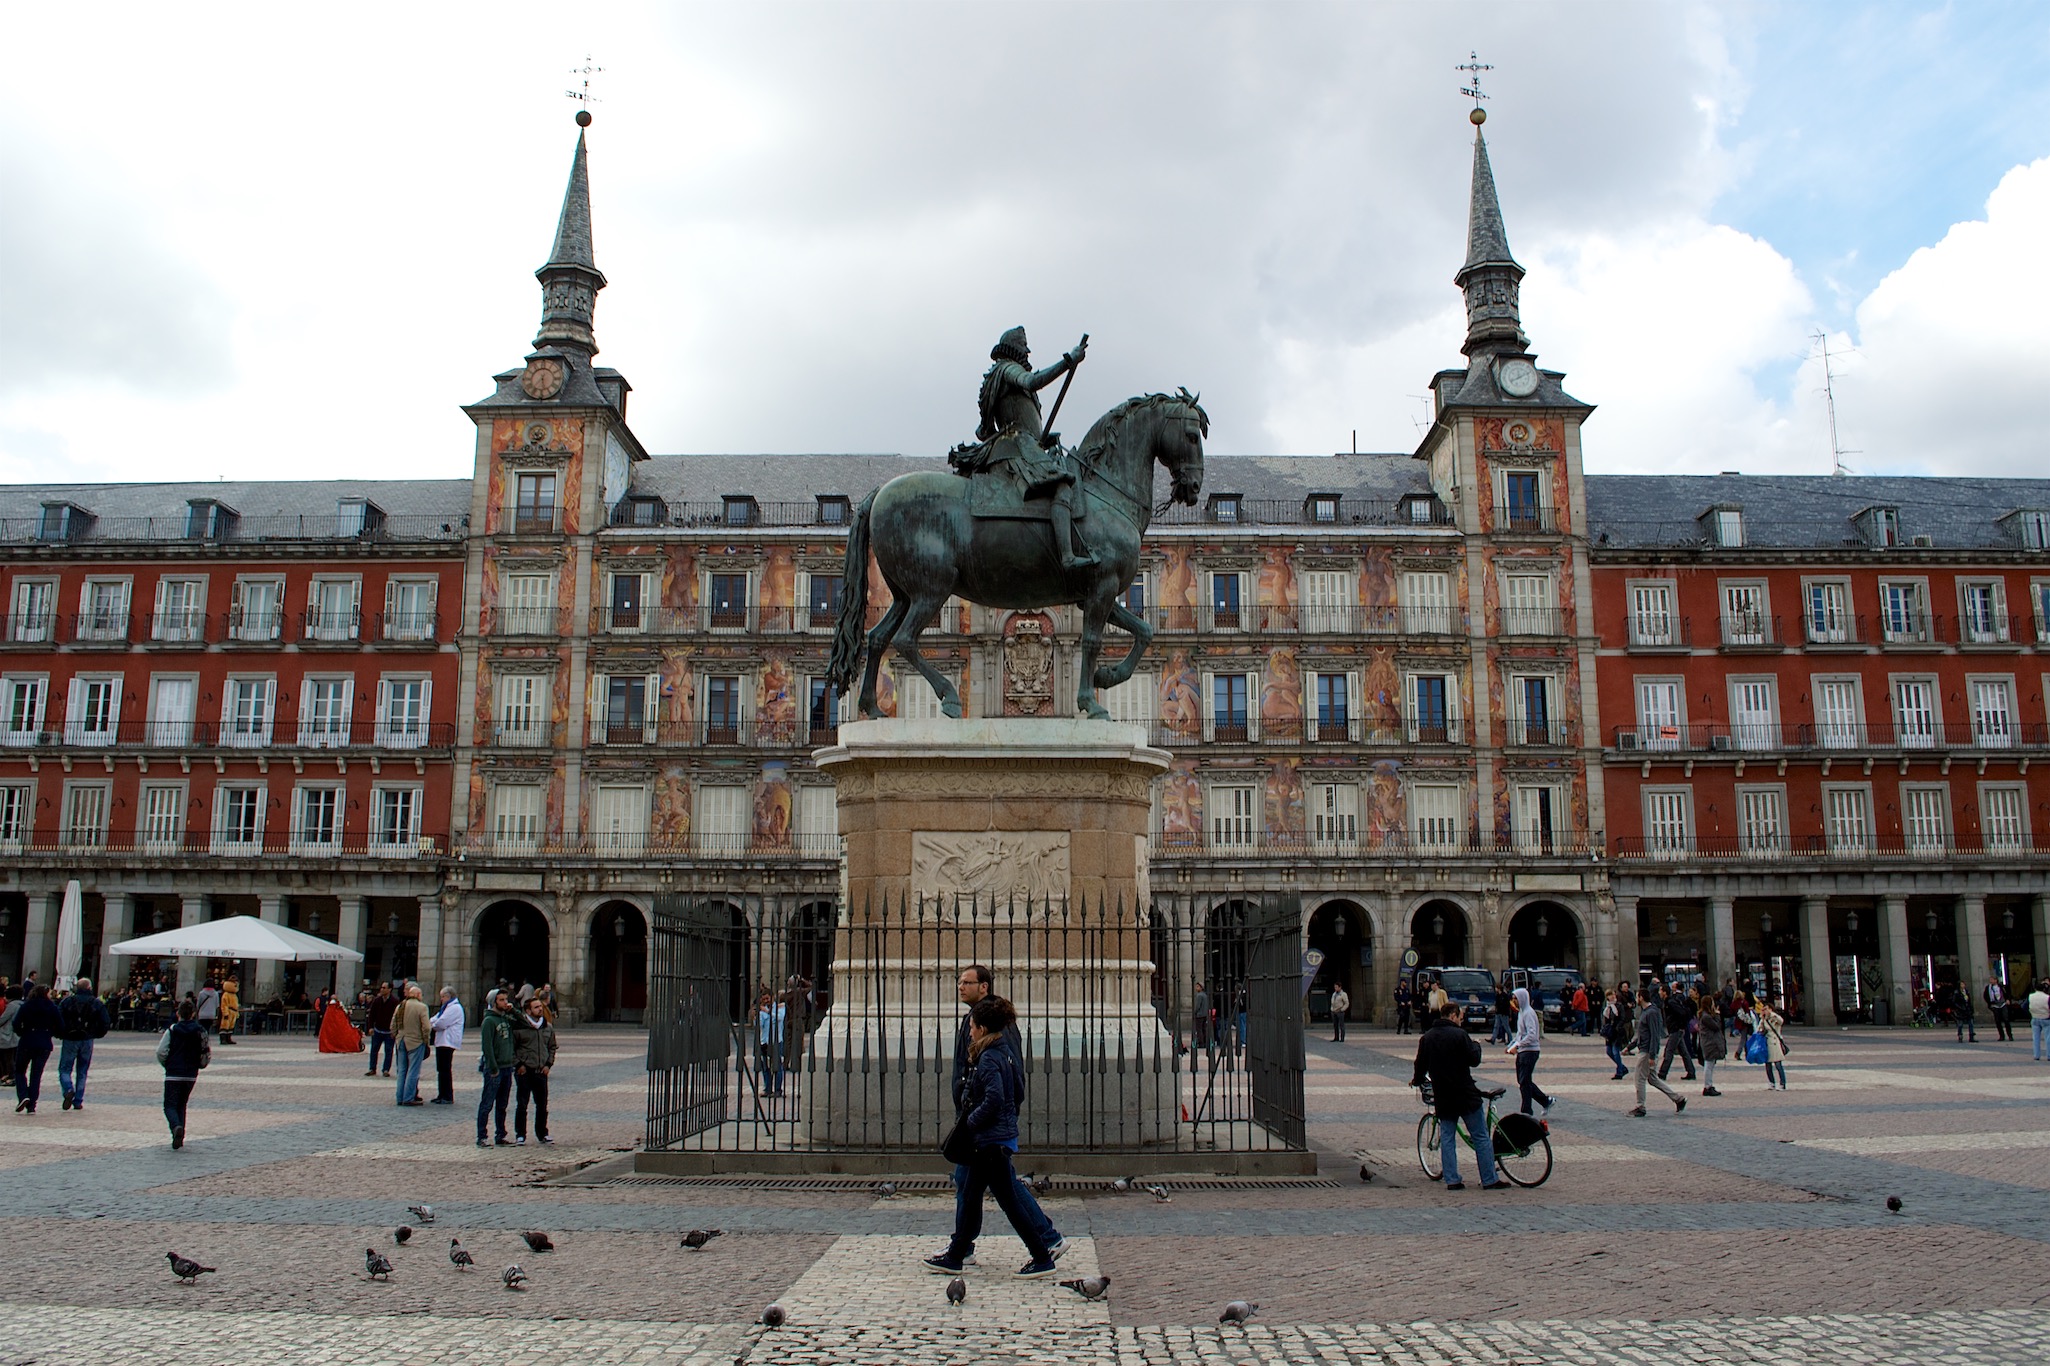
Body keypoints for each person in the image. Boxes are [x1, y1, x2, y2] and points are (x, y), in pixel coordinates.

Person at [923, 995, 1060, 1278]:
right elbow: (1017, 1091)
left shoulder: (988, 1058)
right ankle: (957, 1254)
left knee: (1006, 1200)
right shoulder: (1004, 1052)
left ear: (982, 1028)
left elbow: (994, 1098)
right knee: (972, 1195)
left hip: (988, 1141)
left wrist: (971, 1123)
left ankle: (1041, 1255)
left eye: (972, 1026)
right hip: (996, 1137)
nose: (969, 1031)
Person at [951, 327, 1096, 570]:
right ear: (1014, 349)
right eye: (1024, 346)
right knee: (1062, 486)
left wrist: (1043, 437)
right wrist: (1068, 360)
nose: (1027, 352)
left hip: (1023, 444)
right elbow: (1034, 381)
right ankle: (1067, 557)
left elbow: (1025, 421)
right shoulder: (1008, 370)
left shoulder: (1002, 374)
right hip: (1015, 449)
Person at [1409, 1001, 1506, 1191]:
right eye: (1460, 1017)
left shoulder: (1427, 1038)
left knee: (1447, 1137)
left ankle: (1452, 1180)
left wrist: (1417, 1080)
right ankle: (1489, 1179)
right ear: (1452, 1015)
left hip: (1443, 1095)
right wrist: (1477, 1047)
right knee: (1480, 1136)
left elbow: (1420, 1065)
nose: (1461, 1020)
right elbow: (1474, 1060)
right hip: (1465, 1094)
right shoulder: (1460, 1035)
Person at [157, 998, 209, 1148]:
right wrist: (200, 1065)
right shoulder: (200, 1031)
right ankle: (180, 1134)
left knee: (169, 1105)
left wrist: (167, 1064)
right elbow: (205, 1051)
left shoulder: (172, 1030)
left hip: (174, 1072)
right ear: (193, 1014)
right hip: (191, 1074)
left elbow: (161, 1051)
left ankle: (175, 1127)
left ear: (178, 1013)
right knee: (182, 1104)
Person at [56, 977, 111, 1112]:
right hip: (87, 1038)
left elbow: (57, 1018)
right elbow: (105, 1021)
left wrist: (61, 1033)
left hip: (70, 1038)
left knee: (65, 1069)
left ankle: (68, 1088)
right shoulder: (96, 1003)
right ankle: (78, 1100)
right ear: (89, 988)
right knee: (82, 1071)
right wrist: (97, 1033)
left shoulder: (67, 1001)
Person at [511, 992, 557, 1145]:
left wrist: (548, 1064)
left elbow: (551, 1047)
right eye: (536, 1007)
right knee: (522, 1104)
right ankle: (520, 1134)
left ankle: (542, 1133)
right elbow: (512, 1048)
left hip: (540, 1071)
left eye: (540, 1006)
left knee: (542, 1105)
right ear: (528, 1011)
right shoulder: (519, 1027)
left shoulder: (547, 1027)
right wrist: (518, 1064)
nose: (540, 1009)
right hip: (525, 1071)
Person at [1631, 990, 1686, 1117]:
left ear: (1641, 997)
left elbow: (1655, 1035)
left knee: (1639, 1078)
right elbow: (1642, 1034)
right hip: (1644, 1048)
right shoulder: (1646, 1012)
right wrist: (1630, 1047)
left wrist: (1652, 1054)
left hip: (1647, 1051)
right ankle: (1678, 1099)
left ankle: (1640, 1106)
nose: (1636, 999)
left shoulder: (1652, 1013)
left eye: (1637, 996)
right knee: (1653, 1079)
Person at [12, 983, 61, 1114]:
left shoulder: (26, 1006)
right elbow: (60, 1025)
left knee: (19, 1070)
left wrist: (22, 1032)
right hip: (44, 1043)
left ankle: (23, 1095)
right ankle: (32, 1104)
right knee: (36, 1074)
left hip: (27, 1040)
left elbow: (16, 1023)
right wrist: (50, 1033)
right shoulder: (52, 1007)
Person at [475, 990, 516, 1147]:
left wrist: (513, 1010)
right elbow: (487, 1047)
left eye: (506, 999)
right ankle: (482, 1136)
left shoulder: (506, 1018)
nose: (505, 1002)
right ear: (493, 1002)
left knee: (502, 1105)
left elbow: (523, 1023)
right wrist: (493, 1068)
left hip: (507, 1067)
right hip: (495, 1068)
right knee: (487, 1103)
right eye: (501, 1000)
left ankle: (500, 1135)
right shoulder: (489, 1022)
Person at [1505, 987, 1551, 1118]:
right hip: (1523, 1050)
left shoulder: (1529, 1013)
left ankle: (1527, 1110)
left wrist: (1517, 1045)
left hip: (1530, 1051)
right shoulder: (1521, 1013)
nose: (1514, 1001)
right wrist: (1512, 1045)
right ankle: (1545, 1100)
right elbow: (1520, 1034)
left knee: (1524, 1081)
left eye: (1515, 999)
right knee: (1523, 1080)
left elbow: (1531, 1035)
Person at [393, 981, 432, 1106]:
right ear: (418, 994)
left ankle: (400, 1097)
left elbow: (393, 1024)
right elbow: (426, 1027)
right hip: (415, 1041)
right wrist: (426, 1040)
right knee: (413, 1071)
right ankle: (408, 1097)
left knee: (402, 1071)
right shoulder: (422, 1007)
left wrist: (396, 1035)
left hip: (401, 1040)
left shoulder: (400, 1006)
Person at [1744, 994, 1790, 1090]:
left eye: (1766, 1008)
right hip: (1766, 1043)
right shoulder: (1764, 1019)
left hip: (1775, 1042)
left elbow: (1781, 1021)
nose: (1765, 1010)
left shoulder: (1774, 1018)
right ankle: (1771, 1082)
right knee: (1768, 1065)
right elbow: (1758, 1029)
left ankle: (1782, 1083)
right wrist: (1762, 1019)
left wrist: (1771, 1014)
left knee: (1778, 1064)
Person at [429, 987, 464, 1104]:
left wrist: (433, 1025)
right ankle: (442, 1094)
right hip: (442, 1041)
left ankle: (447, 1095)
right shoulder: (446, 1008)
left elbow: (441, 1023)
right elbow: (435, 1019)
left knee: (445, 1069)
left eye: (442, 997)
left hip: (447, 1042)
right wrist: (433, 1023)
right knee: (441, 1069)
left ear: (448, 997)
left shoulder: (454, 1008)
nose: (441, 999)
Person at [1657, 983, 1697, 1082]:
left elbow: (1681, 1013)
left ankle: (1662, 1073)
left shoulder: (1671, 1002)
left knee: (1669, 1051)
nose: (1659, 993)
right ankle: (1691, 1072)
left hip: (1676, 1029)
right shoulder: (1669, 1001)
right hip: (1676, 1029)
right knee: (1684, 1052)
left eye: (1660, 991)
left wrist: (1678, 1024)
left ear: (1664, 992)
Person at [755, 989, 786, 1097]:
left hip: (776, 1041)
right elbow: (758, 1025)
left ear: (772, 997)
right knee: (765, 1067)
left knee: (777, 1066)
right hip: (765, 1041)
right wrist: (758, 1015)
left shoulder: (780, 1008)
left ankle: (778, 1089)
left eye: (767, 998)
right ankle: (767, 1088)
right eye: (764, 1000)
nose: (766, 1001)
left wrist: (768, 1012)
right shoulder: (762, 1011)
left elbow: (780, 1018)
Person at [364, 981, 398, 1076]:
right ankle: (372, 1068)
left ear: (389, 989)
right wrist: (370, 1027)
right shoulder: (377, 1000)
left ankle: (386, 1069)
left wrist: (394, 1030)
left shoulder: (394, 1001)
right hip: (378, 1029)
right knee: (374, 1050)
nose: (382, 989)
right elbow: (371, 1015)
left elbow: (396, 1017)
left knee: (388, 1051)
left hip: (388, 1031)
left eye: (384, 988)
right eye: (381, 987)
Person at [1695, 996, 1726, 1097]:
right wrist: (1717, 1015)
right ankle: (1707, 1086)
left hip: (1709, 1042)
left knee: (1710, 1064)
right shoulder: (1706, 1017)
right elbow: (1716, 1026)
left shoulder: (1705, 1015)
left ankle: (1709, 1084)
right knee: (1708, 1064)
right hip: (1710, 1043)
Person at [1598, 989, 1628, 1079]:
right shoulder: (1607, 1007)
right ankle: (1622, 1068)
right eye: (1610, 995)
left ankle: (1619, 1072)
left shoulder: (1619, 1006)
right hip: (1609, 1033)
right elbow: (1605, 1020)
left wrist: (1617, 1027)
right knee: (1609, 1051)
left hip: (1617, 1032)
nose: (1612, 996)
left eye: (1613, 994)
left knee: (1615, 1052)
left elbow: (1622, 1018)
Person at [0, 985, 20, 1086]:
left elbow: (3, 1019)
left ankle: (11, 1076)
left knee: (8, 1058)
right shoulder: (21, 1004)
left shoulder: (12, 1006)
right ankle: (10, 1075)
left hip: (8, 1035)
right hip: (16, 1036)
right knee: (12, 1057)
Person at [1985, 978, 2014, 1043]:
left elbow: (2008, 993)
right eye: (1990, 980)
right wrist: (1990, 1004)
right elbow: (1986, 996)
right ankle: (2001, 1036)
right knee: (1998, 1021)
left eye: (1992, 979)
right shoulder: (1988, 988)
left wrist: (2008, 999)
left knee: (2006, 1020)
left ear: (1996, 980)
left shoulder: (2002, 986)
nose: (1991, 981)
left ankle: (2010, 1035)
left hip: (2003, 1004)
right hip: (1995, 1005)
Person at [2030, 979, 2050, 1062]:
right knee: (2048, 1038)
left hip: (2035, 1017)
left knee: (2036, 1038)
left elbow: (2024, 1006)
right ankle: (2049, 1055)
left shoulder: (2031, 996)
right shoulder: (2047, 997)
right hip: (2046, 1018)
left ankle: (2036, 1055)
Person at [218, 977, 240, 1046]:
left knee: (231, 1026)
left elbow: (236, 1005)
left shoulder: (234, 995)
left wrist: (237, 1013)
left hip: (233, 1012)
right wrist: (225, 1013)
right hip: (228, 1011)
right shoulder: (226, 994)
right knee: (225, 1026)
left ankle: (228, 1038)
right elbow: (224, 1005)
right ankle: (223, 1039)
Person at [1192, 983, 1212, 1052]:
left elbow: (1197, 1006)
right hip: (1205, 1014)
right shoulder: (1205, 995)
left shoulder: (1199, 995)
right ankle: (1205, 1041)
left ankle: (1201, 1042)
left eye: (1197, 987)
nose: (1196, 988)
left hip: (1200, 1014)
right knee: (1204, 1028)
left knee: (1199, 1029)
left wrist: (1195, 1012)